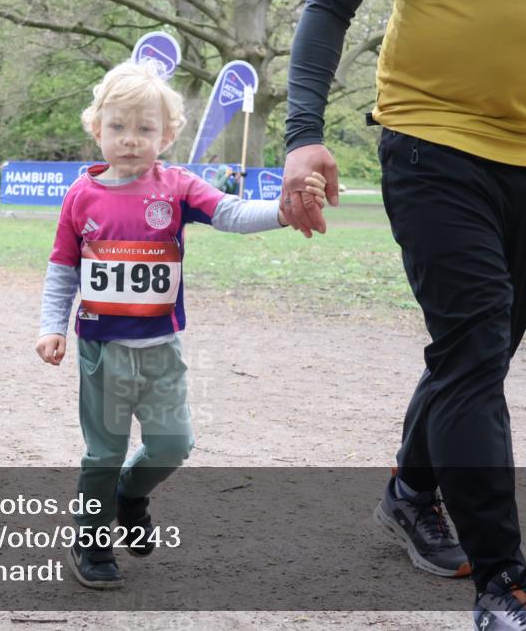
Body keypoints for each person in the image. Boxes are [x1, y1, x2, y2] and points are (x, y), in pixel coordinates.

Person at [281, 0, 526, 630]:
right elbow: (330, 2)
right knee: (477, 353)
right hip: (434, 144)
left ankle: (411, 490)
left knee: (480, 355)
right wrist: (303, 134)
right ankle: (502, 588)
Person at [35, 61, 325, 590]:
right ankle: (91, 538)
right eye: (117, 127)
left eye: (145, 129)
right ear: (96, 129)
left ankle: (130, 494)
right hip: (101, 349)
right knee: (103, 451)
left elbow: (232, 213)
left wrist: (283, 212)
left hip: (161, 348)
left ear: (166, 135)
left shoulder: (177, 186)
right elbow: (62, 268)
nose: (130, 139)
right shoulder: (80, 196)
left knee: (173, 444)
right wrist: (51, 324)